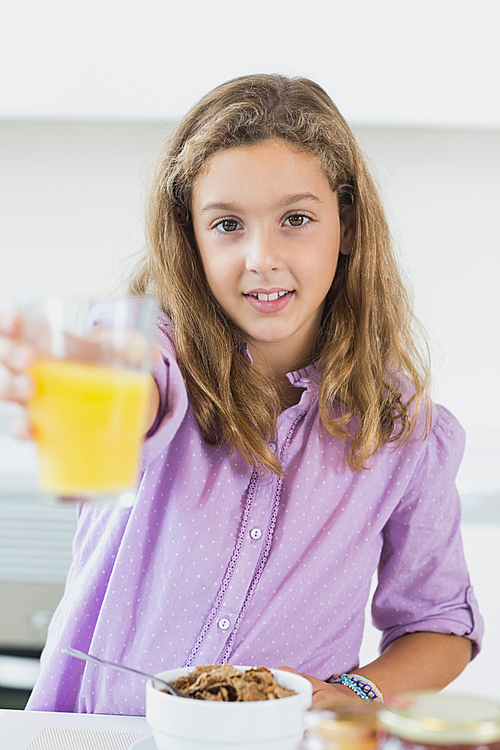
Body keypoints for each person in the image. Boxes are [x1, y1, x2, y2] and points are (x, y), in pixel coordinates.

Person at [0, 74, 482, 714]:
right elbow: (139, 392)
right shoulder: (153, 356)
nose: (262, 257)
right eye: (227, 224)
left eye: (296, 220)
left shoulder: (403, 430)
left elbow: (440, 624)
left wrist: (349, 695)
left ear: (348, 226)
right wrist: (91, 396)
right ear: (190, 240)